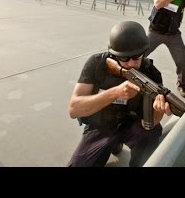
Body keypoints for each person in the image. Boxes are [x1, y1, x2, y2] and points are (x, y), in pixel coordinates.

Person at [67, 21, 172, 167]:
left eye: (136, 57)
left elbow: (151, 124)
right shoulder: (96, 64)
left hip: (133, 126)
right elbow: (74, 109)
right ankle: (113, 144)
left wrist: (157, 112)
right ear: (113, 54)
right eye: (124, 58)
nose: (130, 63)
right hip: (100, 127)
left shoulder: (151, 74)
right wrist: (115, 93)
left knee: (150, 136)